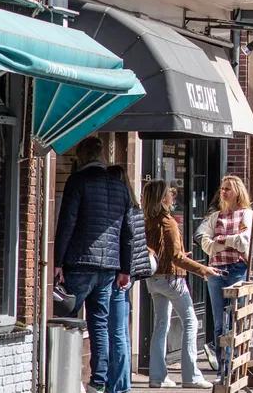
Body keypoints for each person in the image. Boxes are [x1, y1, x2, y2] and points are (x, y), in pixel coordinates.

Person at [53, 136, 131, 393]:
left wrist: (58, 261)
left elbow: (67, 223)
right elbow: (127, 232)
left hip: (79, 262)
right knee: (100, 323)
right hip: (109, 267)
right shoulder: (120, 187)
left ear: (81, 156)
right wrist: (124, 269)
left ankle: (65, 375)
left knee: (65, 318)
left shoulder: (78, 181)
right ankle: (98, 381)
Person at [142, 180, 218, 389]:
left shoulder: (147, 221)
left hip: (154, 278)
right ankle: (191, 376)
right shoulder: (169, 222)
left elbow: (162, 252)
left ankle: (157, 377)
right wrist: (204, 270)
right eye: (169, 194)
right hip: (171, 279)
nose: (173, 197)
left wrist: (180, 256)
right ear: (162, 198)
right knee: (191, 322)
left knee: (160, 325)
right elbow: (176, 258)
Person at [200, 175, 253, 364]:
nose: (223, 192)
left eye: (228, 189)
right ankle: (223, 368)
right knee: (219, 322)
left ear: (238, 191)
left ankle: (235, 364)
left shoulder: (247, 214)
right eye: (222, 188)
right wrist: (228, 242)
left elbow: (245, 241)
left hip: (237, 269)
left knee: (235, 318)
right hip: (216, 271)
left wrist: (221, 240)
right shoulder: (215, 216)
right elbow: (206, 244)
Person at [106, 165, 149, 393]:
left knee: (116, 331)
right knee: (121, 330)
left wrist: (123, 270)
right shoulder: (136, 208)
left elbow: (127, 241)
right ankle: (122, 383)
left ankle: (119, 385)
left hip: (118, 275)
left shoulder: (121, 209)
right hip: (128, 274)